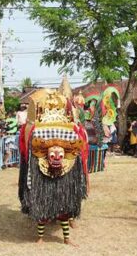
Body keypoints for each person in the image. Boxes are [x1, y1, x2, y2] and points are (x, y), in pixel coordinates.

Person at [18, 86, 88, 246]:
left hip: (65, 168)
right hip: (43, 165)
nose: (56, 154)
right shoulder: (35, 129)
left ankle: (66, 237)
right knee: (43, 207)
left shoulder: (73, 130)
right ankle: (41, 237)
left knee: (64, 206)